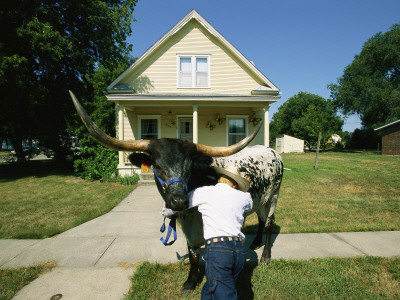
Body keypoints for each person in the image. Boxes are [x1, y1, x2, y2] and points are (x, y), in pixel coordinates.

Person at [189, 165, 252, 300]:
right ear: (235, 185)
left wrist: (167, 211)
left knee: (224, 292)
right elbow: (250, 203)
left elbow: (181, 203)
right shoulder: (243, 196)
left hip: (218, 251)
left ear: (218, 179)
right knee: (214, 285)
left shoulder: (203, 192)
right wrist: (244, 187)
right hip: (239, 251)